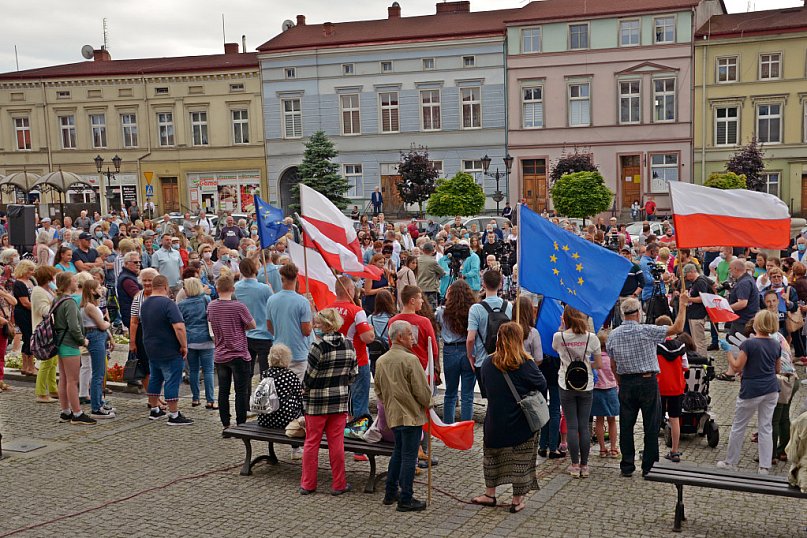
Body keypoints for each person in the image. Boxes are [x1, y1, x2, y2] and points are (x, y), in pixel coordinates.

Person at [606, 292, 689, 477]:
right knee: (651, 425)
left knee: (626, 426)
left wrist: (621, 381)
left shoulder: (613, 335)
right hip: (647, 380)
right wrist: (682, 306)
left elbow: (613, 364)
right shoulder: (646, 330)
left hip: (626, 382)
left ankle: (627, 465)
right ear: (637, 314)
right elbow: (677, 328)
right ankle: (649, 466)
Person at [474, 322, 546, 513]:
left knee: (492, 458)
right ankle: (517, 500)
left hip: (495, 421)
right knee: (522, 461)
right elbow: (542, 385)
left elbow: (486, 389)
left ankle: (490, 494)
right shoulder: (525, 363)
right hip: (521, 423)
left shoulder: (488, 363)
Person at [374, 320, 432, 512]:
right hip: (411, 416)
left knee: (398, 453)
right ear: (399, 337)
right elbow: (422, 392)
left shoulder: (381, 361)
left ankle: (390, 493)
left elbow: (379, 391)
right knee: (408, 456)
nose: (413, 338)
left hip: (394, 416)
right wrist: (428, 404)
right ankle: (406, 498)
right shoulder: (410, 360)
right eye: (409, 334)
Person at [300, 308, 357, 496]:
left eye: (317, 323)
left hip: (316, 403)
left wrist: (305, 390)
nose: (315, 326)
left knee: (311, 443)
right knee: (336, 444)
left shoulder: (318, 348)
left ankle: (308, 484)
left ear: (324, 325)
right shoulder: (349, 345)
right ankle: (339, 484)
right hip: (339, 401)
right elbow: (353, 374)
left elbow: (309, 377)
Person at [717, 310, 781, 474]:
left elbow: (737, 366)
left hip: (752, 389)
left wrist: (729, 351)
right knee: (765, 427)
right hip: (771, 389)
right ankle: (764, 466)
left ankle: (731, 462)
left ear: (757, 324)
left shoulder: (749, 344)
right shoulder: (776, 344)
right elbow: (777, 369)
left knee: (739, 426)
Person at [552, 306, 602, 478]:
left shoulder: (559, 337)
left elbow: (554, 349)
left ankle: (574, 465)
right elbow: (599, 364)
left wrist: (561, 328)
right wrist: (587, 365)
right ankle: (585, 465)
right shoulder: (592, 338)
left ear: (565, 318)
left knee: (571, 426)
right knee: (584, 427)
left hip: (565, 383)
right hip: (586, 385)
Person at [140, 275, 192, 425]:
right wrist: (184, 345)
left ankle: (154, 408)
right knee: (172, 379)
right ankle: (174, 414)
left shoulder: (145, 303)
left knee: (156, 377)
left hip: (150, 346)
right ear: (165, 286)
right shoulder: (168, 304)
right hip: (168, 347)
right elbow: (179, 327)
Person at [208, 274, 256, 428]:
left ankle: (225, 423)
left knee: (223, 390)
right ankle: (241, 423)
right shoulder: (239, 306)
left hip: (221, 353)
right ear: (232, 288)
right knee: (240, 392)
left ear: (217, 288)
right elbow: (252, 325)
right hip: (239, 353)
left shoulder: (211, 306)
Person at [328, 276, 374, 423]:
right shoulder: (357, 311)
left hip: (334, 360)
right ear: (349, 290)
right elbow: (367, 338)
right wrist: (371, 330)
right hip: (357, 360)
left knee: (340, 400)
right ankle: (358, 429)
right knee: (359, 400)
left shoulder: (328, 309)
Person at [52, 272, 96, 424]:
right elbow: (74, 326)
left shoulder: (57, 299)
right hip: (70, 343)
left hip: (60, 341)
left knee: (63, 378)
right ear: (67, 283)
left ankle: (65, 411)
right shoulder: (69, 302)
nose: (76, 282)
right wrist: (82, 340)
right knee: (72, 380)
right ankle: (77, 413)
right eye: (74, 280)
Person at [436, 280, 476, 423]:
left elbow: (437, 328)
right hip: (468, 350)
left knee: (450, 393)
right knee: (467, 395)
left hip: (450, 350)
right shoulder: (473, 311)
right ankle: (466, 428)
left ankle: (448, 426)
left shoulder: (442, 312)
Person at [266, 263, 313, 380]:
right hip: (298, 352)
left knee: (279, 391)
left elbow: (270, 328)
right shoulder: (303, 302)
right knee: (297, 391)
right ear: (296, 278)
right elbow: (306, 331)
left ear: (282, 279)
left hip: (279, 353)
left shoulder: (271, 300)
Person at [177, 277, 216, 409]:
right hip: (206, 339)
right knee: (209, 371)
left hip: (190, 340)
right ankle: (210, 400)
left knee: (193, 370)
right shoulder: (206, 300)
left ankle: (195, 398)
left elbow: (180, 324)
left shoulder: (181, 304)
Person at [654, 316, 688, 463]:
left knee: (654, 419)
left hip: (660, 386)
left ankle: (651, 449)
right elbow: (685, 367)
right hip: (676, 387)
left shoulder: (655, 346)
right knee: (675, 419)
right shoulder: (681, 347)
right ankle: (674, 451)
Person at [467, 270, 513, 377]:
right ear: (500, 284)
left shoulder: (476, 309)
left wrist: (470, 355)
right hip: (504, 359)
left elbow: (470, 338)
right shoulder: (509, 306)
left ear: (483, 284)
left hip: (483, 360)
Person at [81, 279, 115, 419]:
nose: (101, 290)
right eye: (99, 288)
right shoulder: (89, 307)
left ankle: (99, 401)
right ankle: (96, 407)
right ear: (92, 290)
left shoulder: (91, 306)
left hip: (98, 335)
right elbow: (101, 325)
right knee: (98, 373)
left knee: (99, 372)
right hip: (95, 335)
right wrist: (108, 323)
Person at [234, 258, 273, 376]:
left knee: (247, 373)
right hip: (264, 334)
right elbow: (273, 305)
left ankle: (246, 394)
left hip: (246, 334)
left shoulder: (237, 287)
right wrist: (270, 289)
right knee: (265, 372)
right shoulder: (264, 288)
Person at [257, 343, 303, 430]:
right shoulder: (290, 375)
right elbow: (299, 396)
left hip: (265, 418)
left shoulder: (265, 374)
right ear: (287, 358)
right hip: (286, 419)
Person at [128, 268, 157, 392]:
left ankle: (156, 396)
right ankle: (152, 397)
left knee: (157, 367)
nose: (147, 283)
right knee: (145, 367)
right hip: (142, 333)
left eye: (150, 280)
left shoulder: (160, 295)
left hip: (157, 334)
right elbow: (133, 321)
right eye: (144, 280)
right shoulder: (138, 297)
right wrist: (132, 341)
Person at [592, 332, 619, 458]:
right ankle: (613, 448)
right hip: (611, 390)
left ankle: (602, 448)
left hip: (597, 391)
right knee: (612, 420)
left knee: (599, 420)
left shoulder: (594, 359)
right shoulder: (611, 359)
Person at [30, 266, 55, 401]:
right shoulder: (38, 291)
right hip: (44, 331)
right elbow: (45, 311)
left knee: (53, 362)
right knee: (46, 362)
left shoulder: (48, 290)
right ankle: (41, 393)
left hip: (51, 330)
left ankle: (52, 389)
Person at [13, 260, 36, 377]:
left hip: (30, 312)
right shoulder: (19, 283)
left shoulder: (31, 281)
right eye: (30, 270)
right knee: (28, 337)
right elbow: (25, 303)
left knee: (29, 338)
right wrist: (38, 309)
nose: (32, 272)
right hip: (23, 312)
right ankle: (29, 366)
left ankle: (26, 365)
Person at [683, 263, 712, 356]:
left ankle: (702, 359)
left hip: (698, 315)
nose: (686, 278)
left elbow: (702, 298)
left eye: (686, 275)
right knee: (696, 340)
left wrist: (688, 299)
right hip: (693, 314)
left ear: (692, 272)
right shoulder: (695, 282)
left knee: (699, 341)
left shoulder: (700, 281)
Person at [116, 251, 142, 329]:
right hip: (133, 318)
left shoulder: (130, 276)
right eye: (135, 262)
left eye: (139, 262)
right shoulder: (127, 279)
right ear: (126, 263)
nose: (138, 264)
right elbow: (139, 296)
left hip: (135, 317)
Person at [416, 242, 445, 311]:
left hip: (419, 287)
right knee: (431, 310)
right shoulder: (432, 261)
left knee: (421, 309)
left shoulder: (417, 260)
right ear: (432, 251)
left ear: (423, 250)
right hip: (430, 288)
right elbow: (442, 273)